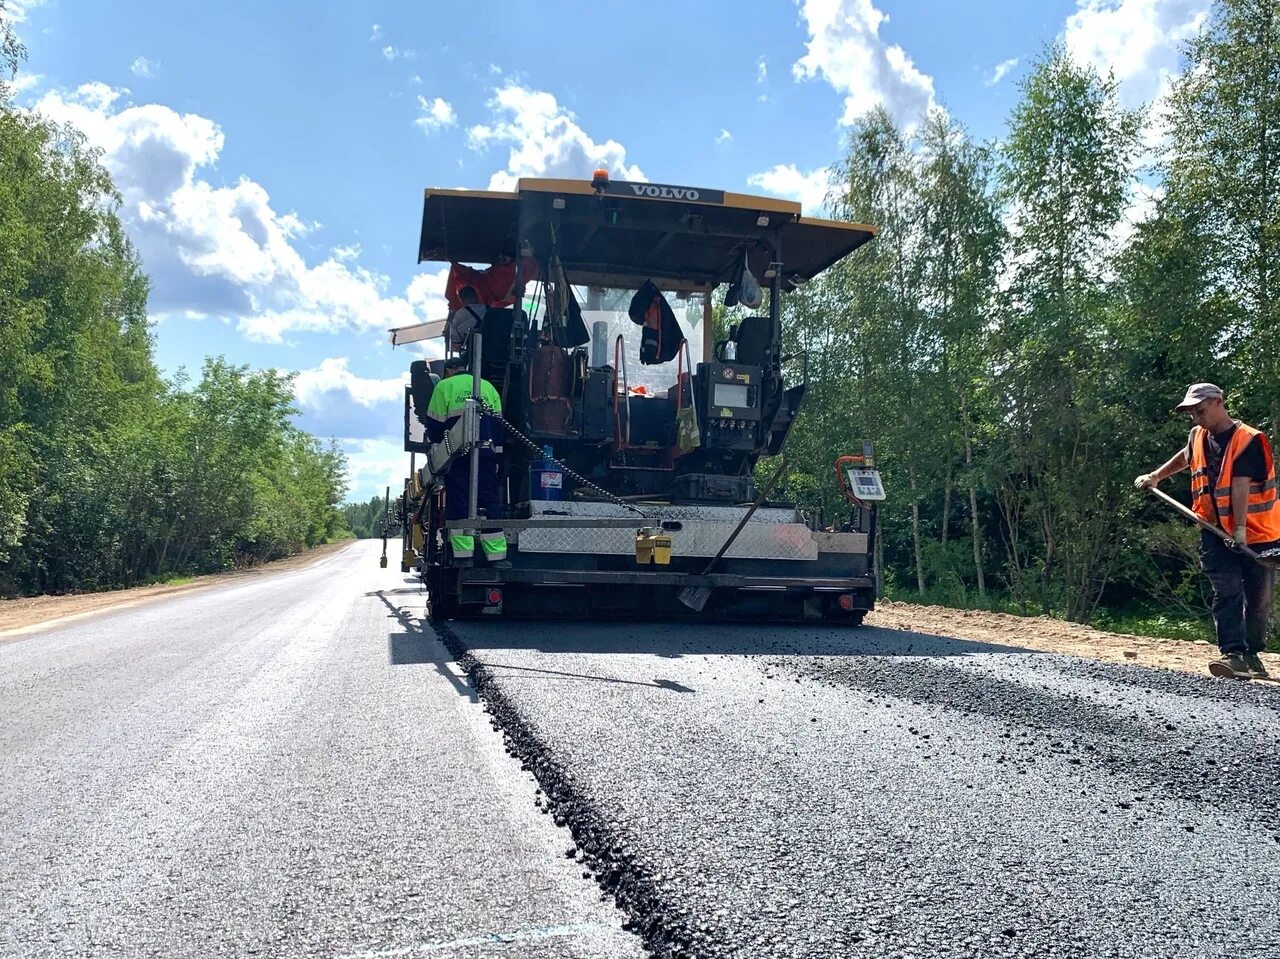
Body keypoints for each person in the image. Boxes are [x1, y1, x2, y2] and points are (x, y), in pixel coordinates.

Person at [1135, 383, 1280, 677]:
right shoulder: (1198, 436)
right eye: (1191, 414)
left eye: (1200, 411)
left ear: (1217, 403)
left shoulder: (1248, 440)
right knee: (1226, 590)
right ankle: (1233, 654)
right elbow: (1186, 456)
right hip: (1213, 530)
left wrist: (1239, 530)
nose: (1196, 418)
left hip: (1256, 532)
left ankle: (1252, 654)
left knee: (1259, 598)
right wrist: (1156, 476)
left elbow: (1240, 485)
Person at [425, 355, 508, 566]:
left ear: (449, 370)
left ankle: (463, 558)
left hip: (458, 456)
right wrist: (497, 458)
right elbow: (499, 429)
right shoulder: (488, 388)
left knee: (459, 502)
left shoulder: (444, 386)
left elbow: (434, 427)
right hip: (486, 456)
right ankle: (497, 557)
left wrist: (438, 450)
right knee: (490, 503)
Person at [444, 285, 487, 356]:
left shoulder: (458, 315)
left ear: (461, 300)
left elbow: (456, 346)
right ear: (477, 296)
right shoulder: (489, 310)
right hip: (495, 350)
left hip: (472, 353)